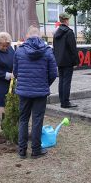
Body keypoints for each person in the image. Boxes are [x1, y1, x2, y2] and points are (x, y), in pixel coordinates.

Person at [13, 26, 58, 159]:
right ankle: (36, 150)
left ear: (27, 36)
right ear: (39, 36)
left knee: (23, 120)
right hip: (40, 93)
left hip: (24, 92)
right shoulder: (48, 51)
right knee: (37, 120)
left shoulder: (19, 51)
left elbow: (15, 72)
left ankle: (22, 150)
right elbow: (53, 73)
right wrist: (44, 84)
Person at [53, 13, 79, 108]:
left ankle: (62, 101)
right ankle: (66, 102)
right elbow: (73, 48)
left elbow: (55, 48)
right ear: (66, 20)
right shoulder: (69, 32)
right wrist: (76, 61)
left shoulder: (56, 33)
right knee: (66, 82)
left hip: (59, 61)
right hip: (68, 61)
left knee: (62, 81)